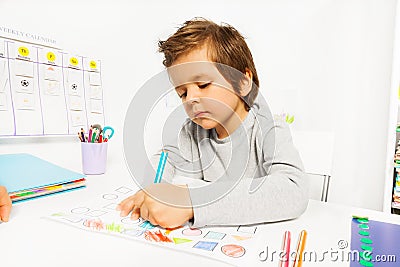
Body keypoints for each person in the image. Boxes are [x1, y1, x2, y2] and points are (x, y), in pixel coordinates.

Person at [117, 18, 309, 228]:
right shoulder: (192, 132)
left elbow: (294, 189)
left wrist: (193, 202)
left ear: (243, 83)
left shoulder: (269, 128)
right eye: (182, 93)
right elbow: (166, 158)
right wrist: (153, 187)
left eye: (203, 84)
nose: (190, 98)